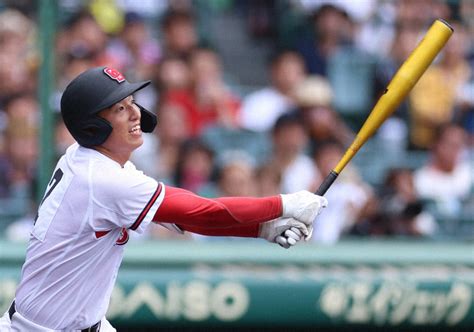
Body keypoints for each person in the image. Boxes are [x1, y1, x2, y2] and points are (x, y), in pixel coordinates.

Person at [0, 67, 328, 331]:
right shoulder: (102, 179)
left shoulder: (88, 158)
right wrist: (283, 205)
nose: (135, 114)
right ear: (91, 128)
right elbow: (204, 211)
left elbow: (186, 217)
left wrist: (261, 230)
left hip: (79, 323)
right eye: (119, 109)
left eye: (131, 103)